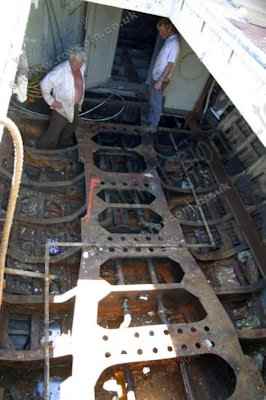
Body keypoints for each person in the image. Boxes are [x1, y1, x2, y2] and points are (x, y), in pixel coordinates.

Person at [37, 49, 87, 149]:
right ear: (71, 60)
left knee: (72, 126)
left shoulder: (82, 67)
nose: (78, 66)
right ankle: (41, 151)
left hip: (74, 106)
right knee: (53, 133)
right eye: (76, 63)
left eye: (80, 63)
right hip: (61, 107)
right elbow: (44, 84)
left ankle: (62, 147)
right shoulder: (60, 71)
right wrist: (51, 101)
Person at [147, 18, 180, 131]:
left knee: (156, 102)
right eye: (159, 31)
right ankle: (150, 120)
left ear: (169, 28)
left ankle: (153, 126)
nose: (160, 34)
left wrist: (160, 81)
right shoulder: (169, 41)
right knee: (153, 100)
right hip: (157, 77)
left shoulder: (174, 43)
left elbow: (170, 64)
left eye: (162, 31)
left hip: (161, 79)